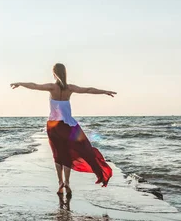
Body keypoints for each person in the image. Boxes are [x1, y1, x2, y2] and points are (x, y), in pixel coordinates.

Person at [10, 63, 115, 194]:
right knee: (71, 154)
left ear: (54, 74)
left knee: (58, 155)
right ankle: (67, 183)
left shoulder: (52, 87)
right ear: (65, 73)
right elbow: (88, 90)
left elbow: (35, 86)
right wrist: (104, 92)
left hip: (54, 126)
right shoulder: (70, 88)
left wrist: (19, 83)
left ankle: (60, 183)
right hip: (69, 126)